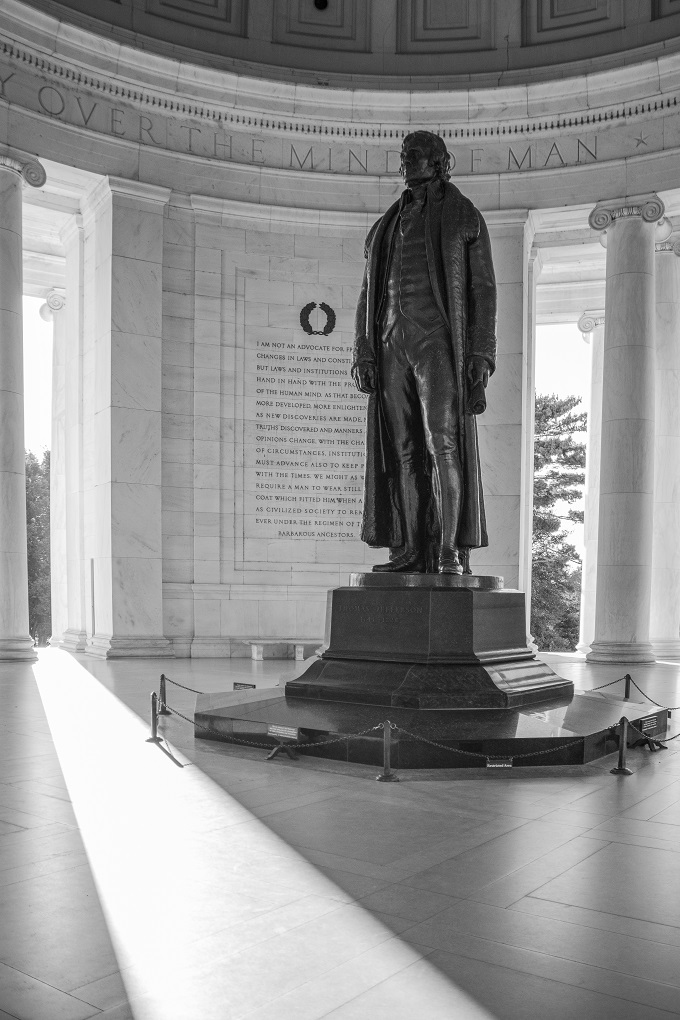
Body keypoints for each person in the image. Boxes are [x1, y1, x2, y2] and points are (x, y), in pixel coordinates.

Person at [352, 130, 497, 574]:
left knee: (443, 444)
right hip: (391, 340)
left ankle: (449, 550)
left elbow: (483, 289)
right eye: (403, 155)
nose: (405, 161)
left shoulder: (462, 214)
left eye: (414, 155)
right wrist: (363, 350)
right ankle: (412, 549)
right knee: (404, 451)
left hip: (436, 339)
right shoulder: (385, 225)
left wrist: (479, 354)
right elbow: (366, 295)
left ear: (438, 161)